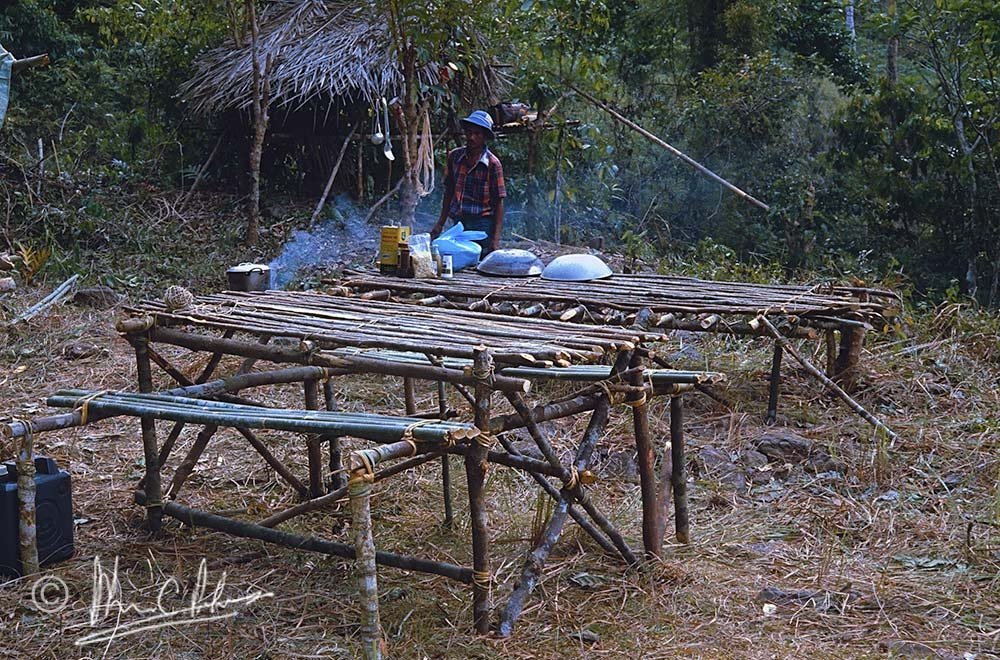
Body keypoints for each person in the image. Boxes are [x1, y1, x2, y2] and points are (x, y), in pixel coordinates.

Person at [431, 110, 506, 256]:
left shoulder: (492, 164)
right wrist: (440, 223)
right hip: (459, 222)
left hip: (482, 223)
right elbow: (449, 191)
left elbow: (499, 202)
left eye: (477, 134)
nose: (472, 137)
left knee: (478, 260)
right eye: (469, 132)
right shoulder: (455, 157)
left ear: (484, 137)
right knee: (455, 259)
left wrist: (495, 240)